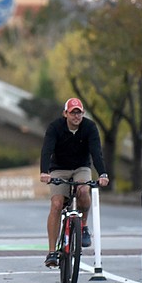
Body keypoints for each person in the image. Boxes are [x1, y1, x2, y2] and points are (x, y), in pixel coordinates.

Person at [39, 98, 109, 267]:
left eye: (79, 112)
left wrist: (103, 174)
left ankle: (83, 225)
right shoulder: (55, 127)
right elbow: (47, 149)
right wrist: (44, 171)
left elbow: (96, 151)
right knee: (56, 204)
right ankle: (52, 252)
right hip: (59, 168)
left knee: (84, 191)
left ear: (83, 114)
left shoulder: (90, 127)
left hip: (81, 168)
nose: (76, 116)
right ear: (65, 114)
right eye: (73, 112)